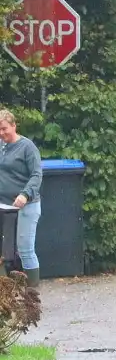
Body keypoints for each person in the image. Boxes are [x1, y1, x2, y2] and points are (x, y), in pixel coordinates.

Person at [0, 109, 43, 288]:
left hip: (26, 205)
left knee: (25, 249)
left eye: (4, 129)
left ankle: (33, 295)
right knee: (3, 250)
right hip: (3, 206)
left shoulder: (27, 147)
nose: (1, 133)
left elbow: (36, 174)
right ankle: (4, 293)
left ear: (14, 126)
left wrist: (25, 194)